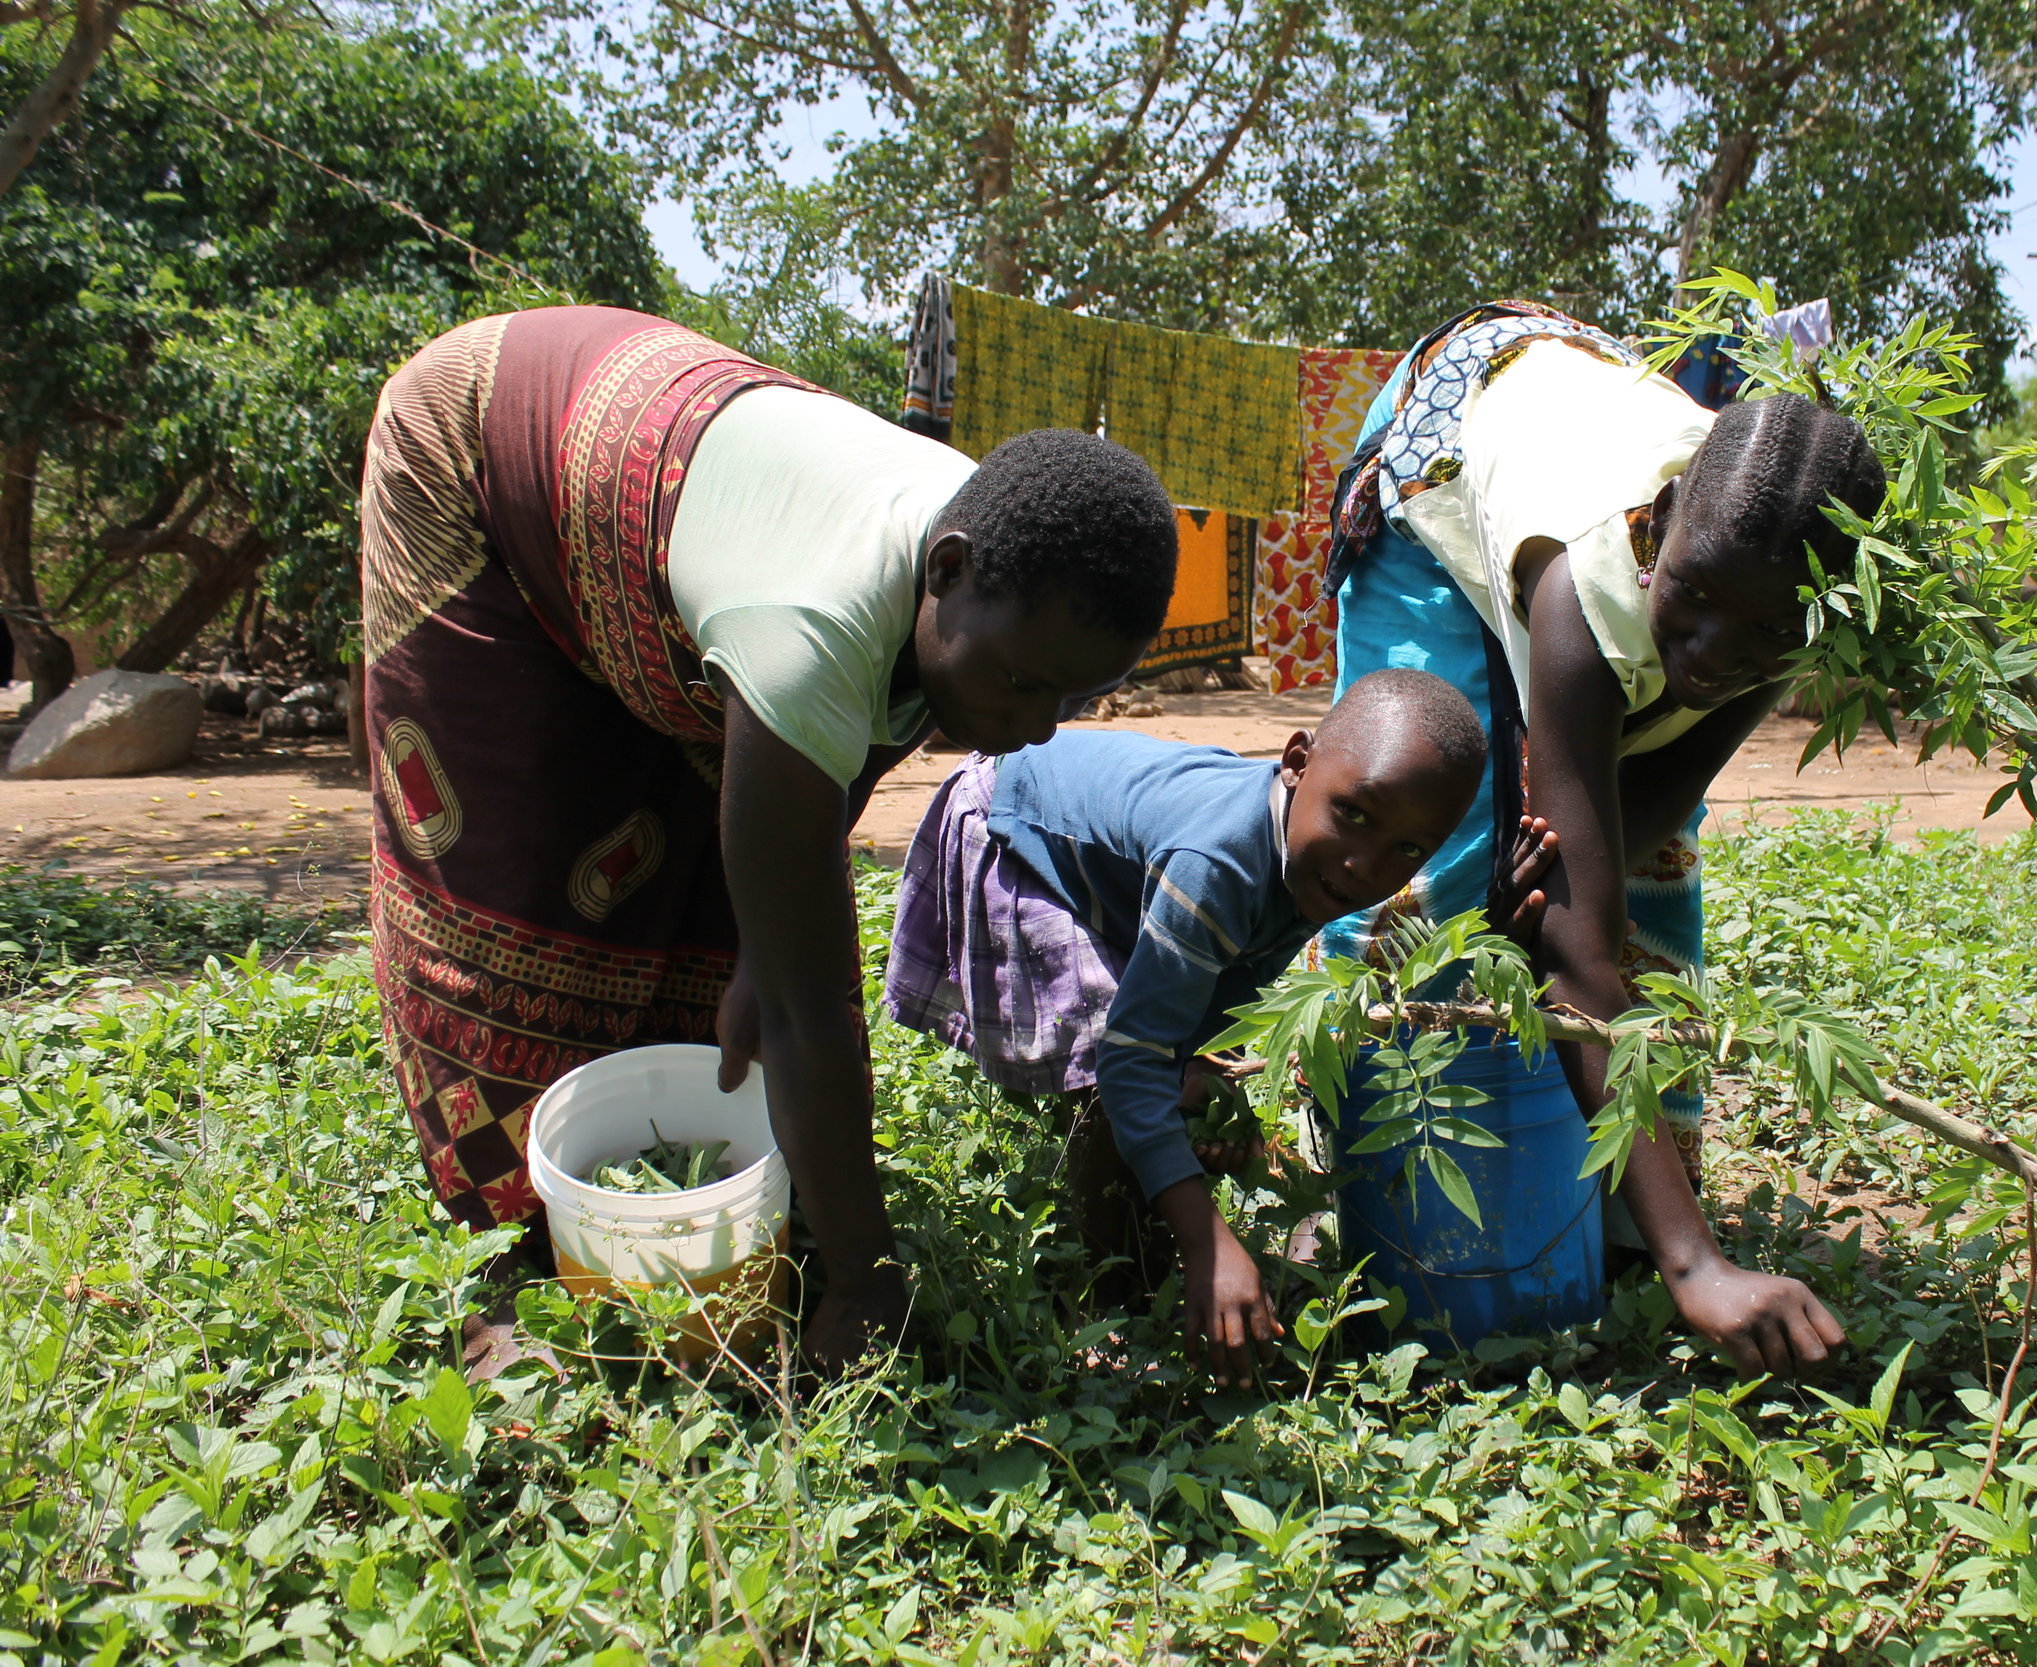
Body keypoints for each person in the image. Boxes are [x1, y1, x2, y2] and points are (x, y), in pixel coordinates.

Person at [358, 305, 1177, 1374]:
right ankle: (522, 1253)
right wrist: (866, 1274)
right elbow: (804, 1007)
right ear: (946, 570)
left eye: (1069, 700)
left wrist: (760, 948)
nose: (1031, 726)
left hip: (666, 486)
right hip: (475, 453)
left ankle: (727, 1188)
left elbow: (862, 736)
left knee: (733, 887)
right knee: (514, 855)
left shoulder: (1008, 572)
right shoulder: (813, 631)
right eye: (1023, 685)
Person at [1322, 300, 1885, 1376]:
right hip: (1443, 451)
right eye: (1697, 600)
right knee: (1430, 845)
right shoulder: (1591, 582)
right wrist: (1699, 1266)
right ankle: (1366, 1180)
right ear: (1662, 521)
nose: (1715, 653)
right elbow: (1580, 961)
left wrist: (1577, 887)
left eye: (1769, 632)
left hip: (1571, 429)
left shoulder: (1786, 577)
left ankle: (1626, 1231)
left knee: (1637, 875)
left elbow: (1649, 810)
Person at [884, 669, 1531, 1385]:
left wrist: (1193, 1057)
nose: (1366, 864)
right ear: (1297, 761)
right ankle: (1104, 1306)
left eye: (1411, 849)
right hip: (1013, 830)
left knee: (1171, 1075)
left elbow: (1243, 964)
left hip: (1110, 865)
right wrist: (1208, 1242)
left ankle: (1143, 1245)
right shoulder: (1218, 862)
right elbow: (1131, 1061)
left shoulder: (1312, 854)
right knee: (1112, 1074)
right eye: (1355, 814)